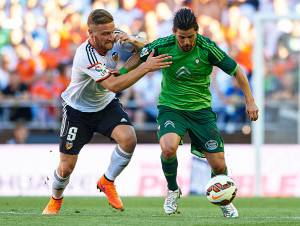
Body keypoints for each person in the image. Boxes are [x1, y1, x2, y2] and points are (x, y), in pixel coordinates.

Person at [42, 9, 172, 215]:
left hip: (104, 104)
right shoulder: (86, 55)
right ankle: (55, 199)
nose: (110, 37)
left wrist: (135, 43)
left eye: (112, 31)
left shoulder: (116, 36)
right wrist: (145, 68)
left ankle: (107, 181)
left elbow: (146, 51)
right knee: (66, 167)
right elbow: (114, 85)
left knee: (129, 139)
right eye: (104, 34)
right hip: (78, 110)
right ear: (90, 34)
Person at [139, 8, 258, 218]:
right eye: (181, 37)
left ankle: (224, 199)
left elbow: (237, 70)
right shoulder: (164, 44)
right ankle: (173, 190)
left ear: (197, 31)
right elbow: (141, 52)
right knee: (168, 148)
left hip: (201, 111)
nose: (186, 42)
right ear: (174, 32)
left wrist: (250, 100)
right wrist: (121, 70)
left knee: (219, 164)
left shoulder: (208, 47)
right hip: (171, 108)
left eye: (190, 37)